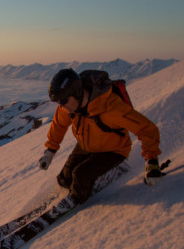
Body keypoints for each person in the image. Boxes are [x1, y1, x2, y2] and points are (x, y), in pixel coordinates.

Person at [38, 68, 163, 216]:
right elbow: (58, 125)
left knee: (80, 175)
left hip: (113, 150)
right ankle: (67, 192)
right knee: (65, 178)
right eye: (59, 102)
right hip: (87, 145)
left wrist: (152, 161)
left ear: (76, 92)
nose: (61, 105)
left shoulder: (110, 107)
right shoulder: (69, 107)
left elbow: (147, 129)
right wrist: (50, 152)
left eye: (63, 100)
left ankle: (76, 200)